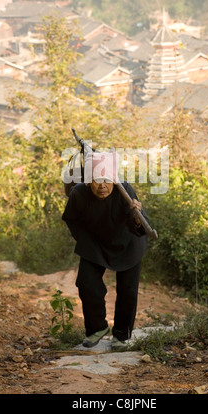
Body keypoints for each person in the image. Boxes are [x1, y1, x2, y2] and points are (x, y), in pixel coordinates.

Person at [62, 150, 148, 350]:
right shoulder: (78, 194)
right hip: (96, 243)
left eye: (107, 180)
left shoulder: (125, 191)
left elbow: (141, 228)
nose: (102, 186)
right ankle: (97, 328)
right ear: (88, 180)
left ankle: (121, 335)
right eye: (96, 180)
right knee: (86, 282)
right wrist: (85, 241)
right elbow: (72, 220)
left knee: (128, 290)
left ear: (114, 180)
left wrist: (137, 217)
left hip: (128, 243)